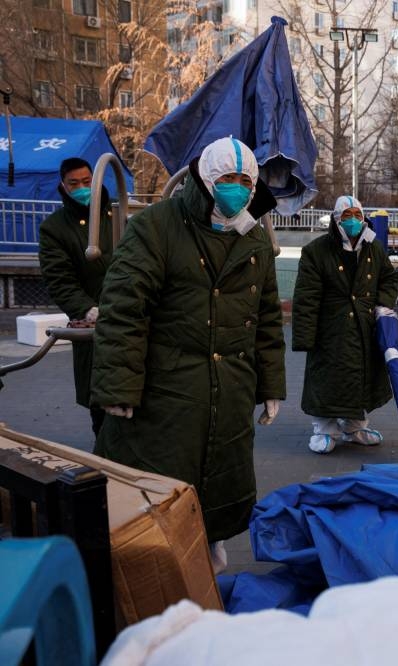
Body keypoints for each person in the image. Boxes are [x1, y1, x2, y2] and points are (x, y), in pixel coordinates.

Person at [91, 137, 286, 570]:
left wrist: (271, 384)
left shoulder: (253, 237)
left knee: (215, 494)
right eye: (226, 179)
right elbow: (124, 306)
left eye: (245, 180)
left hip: (230, 390)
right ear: (205, 178)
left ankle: (205, 581)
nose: (236, 188)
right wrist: (119, 386)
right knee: (159, 493)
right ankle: (155, 584)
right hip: (167, 391)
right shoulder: (158, 226)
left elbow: (267, 319)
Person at [293, 195, 398, 453]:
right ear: (336, 219)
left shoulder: (374, 248)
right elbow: (307, 297)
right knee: (328, 380)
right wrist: (305, 337)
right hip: (330, 330)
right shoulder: (316, 251)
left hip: (364, 327)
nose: (352, 220)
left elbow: (388, 279)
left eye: (357, 215)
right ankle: (324, 428)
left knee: (361, 377)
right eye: (346, 215)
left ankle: (355, 426)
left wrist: (383, 306)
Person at [38, 157, 113, 438]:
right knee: (104, 405)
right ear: (63, 186)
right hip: (95, 329)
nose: (82, 188)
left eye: (87, 181)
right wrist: (87, 310)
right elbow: (59, 280)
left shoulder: (119, 215)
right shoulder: (55, 229)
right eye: (74, 183)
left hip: (135, 322)